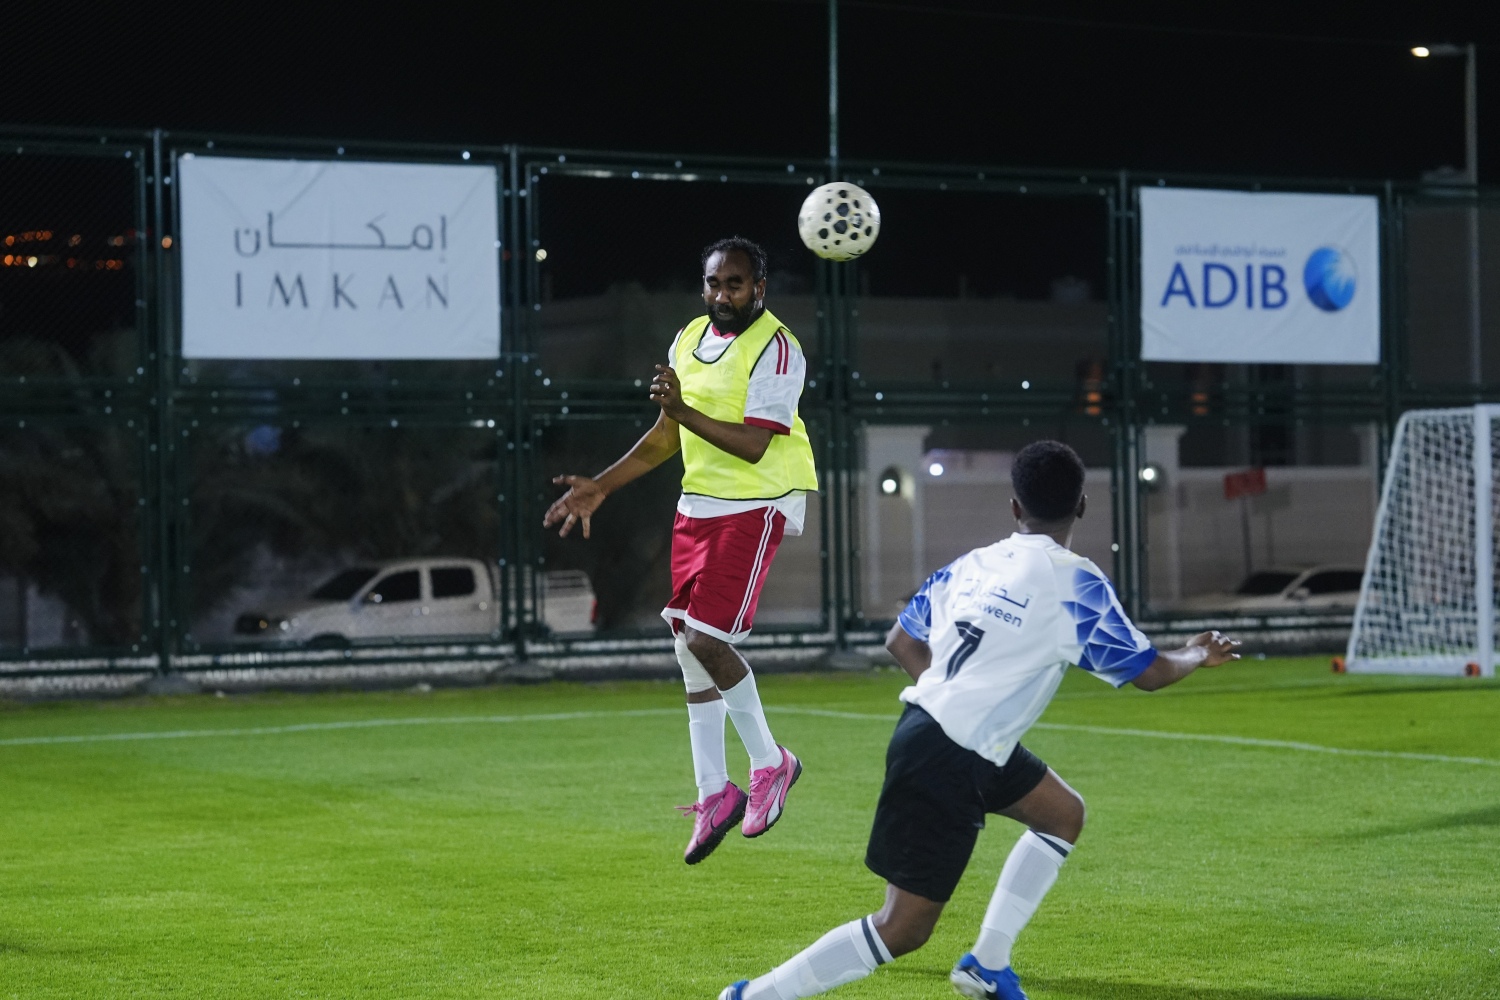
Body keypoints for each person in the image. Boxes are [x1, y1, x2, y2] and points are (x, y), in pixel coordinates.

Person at [718, 440, 1240, 1000]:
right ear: (1082, 505)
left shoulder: (974, 563)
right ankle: (752, 997)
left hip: (941, 735)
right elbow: (1151, 672)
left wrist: (955, 703)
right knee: (902, 929)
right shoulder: (1077, 583)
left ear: (1015, 507)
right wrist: (1197, 652)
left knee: (1062, 814)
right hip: (950, 755)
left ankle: (988, 964)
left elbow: (900, 640)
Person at [543, 236, 819, 866]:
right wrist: (601, 486)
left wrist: (684, 410)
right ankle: (713, 793)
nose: (722, 294)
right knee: (686, 648)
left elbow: (752, 444)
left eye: (735, 284)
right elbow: (667, 434)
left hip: (756, 502)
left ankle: (772, 763)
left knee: (704, 639)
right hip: (698, 506)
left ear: (759, 289)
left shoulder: (778, 348)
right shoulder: (689, 336)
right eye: (714, 283)